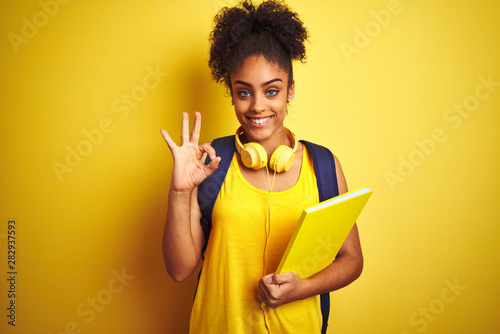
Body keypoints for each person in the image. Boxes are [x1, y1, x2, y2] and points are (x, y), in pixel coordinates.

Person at [160, 1, 363, 332]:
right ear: (231, 92)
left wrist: (304, 288)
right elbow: (180, 269)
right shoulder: (209, 163)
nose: (258, 106)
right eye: (244, 92)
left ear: (290, 91)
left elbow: (352, 260)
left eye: (271, 91)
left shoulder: (323, 165)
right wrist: (180, 191)